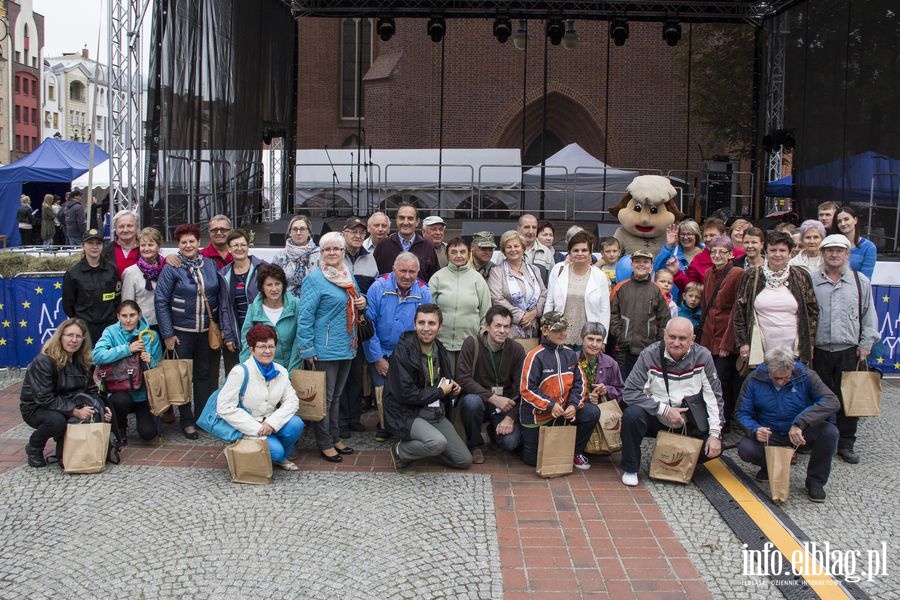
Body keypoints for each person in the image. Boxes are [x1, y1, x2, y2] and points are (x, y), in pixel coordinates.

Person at [619, 317, 723, 486]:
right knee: (632, 415)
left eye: (682, 338)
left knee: (715, 447)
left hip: (688, 421)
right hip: (657, 416)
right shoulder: (649, 355)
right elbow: (630, 392)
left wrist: (715, 434)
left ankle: (673, 457)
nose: (676, 342)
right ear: (664, 335)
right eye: (672, 337)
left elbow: (714, 396)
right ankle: (631, 468)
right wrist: (664, 410)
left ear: (692, 339)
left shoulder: (703, 356)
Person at [736, 346, 840, 503]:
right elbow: (741, 413)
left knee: (829, 432)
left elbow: (831, 401)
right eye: (776, 378)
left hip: (800, 432)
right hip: (771, 434)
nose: (781, 382)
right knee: (746, 448)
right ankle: (768, 466)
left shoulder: (807, 376)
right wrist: (755, 429)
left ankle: (815, 482)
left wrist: (801, 422)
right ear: (768, 371)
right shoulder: (754, 379)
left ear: (792, 369)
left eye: (785, 378)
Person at [296, 232, 365, 462]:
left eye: (337, 249)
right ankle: (324, 442)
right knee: (324, 399)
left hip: (347, 344)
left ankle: (334, 436)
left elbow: (355, 298)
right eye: (327, 250)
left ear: (344, 252)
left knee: (336, 396)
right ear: (321, 253)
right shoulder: (315, 279)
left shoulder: (347, 274)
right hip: (324, 348)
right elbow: (305, 316)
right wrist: (307, 348)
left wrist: (362, 300)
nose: (332, 253)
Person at [811, 234, 879, 464]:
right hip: (818, 350)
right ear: (822, 253)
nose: (834, 254)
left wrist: (866, 344)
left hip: (849, 350)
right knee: (818, 398)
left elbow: (869, 315)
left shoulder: (860, 282)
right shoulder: (812, 280)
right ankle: (818, 439)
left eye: (839, 250)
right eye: (829, 250)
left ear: (847, 254)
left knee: (849, 399)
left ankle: (846, 443)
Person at [384, 304, 472, 476]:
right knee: (437, 443)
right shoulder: (402, 352)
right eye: (421, 323)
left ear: (440, 326)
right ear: (414, 324)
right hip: (408, 412)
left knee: (463, 460)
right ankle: (400, 451)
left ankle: (426, 447)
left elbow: (442, 382)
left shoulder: (440, 349)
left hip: (434, 412)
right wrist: (440, 392)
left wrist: (452, 387)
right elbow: (406, 394)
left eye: (431, 323)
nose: (426, 328)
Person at [154, 223, 222, 439]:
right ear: (178, 245)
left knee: (204, 374)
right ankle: (186, 419)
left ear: (198, 242)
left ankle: (202, 416)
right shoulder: (171, 267)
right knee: (181, 376)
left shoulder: (210, 265)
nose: (188, 245)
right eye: (184, 242)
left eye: (192, 241)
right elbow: (161, 300)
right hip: (181, 332)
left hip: (205, 331)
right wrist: (167, 334)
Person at [20, 318, 111, 467]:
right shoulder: (44, 361)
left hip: (69, 404)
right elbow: (44, 397)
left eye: (78, 336)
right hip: (37, 407)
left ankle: (63, 441)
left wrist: (102, 408)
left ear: (83, 339)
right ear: (60, 336)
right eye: (69, 335)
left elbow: (91, 390)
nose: (73, 340)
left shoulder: (82, 359)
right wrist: (74, 412)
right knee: (57, 421)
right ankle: (34, 447)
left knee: (67, 458)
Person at [216, 323, 305, 470]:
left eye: (271, 347)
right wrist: (256, 428)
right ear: (252, 350)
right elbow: (224, 407)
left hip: (269, 422)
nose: (267, 351)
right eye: (262, 347)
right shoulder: (240, 372)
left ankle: (269, 450)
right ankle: (277, 455)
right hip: (247, 426)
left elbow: (292, 401)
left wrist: (272, 423)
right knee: (277, 452)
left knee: (296, 424)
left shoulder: (280, 371)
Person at [364, 253, 433, 440]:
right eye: (403, 271)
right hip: (382, 350)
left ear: (418, 272)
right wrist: (377, 358)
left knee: (406, 391)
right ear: (394, 270)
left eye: (412, 272)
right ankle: (385, 425)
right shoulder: (378, 288)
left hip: (409, 352)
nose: (407, 276)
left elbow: (427, 325)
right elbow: (368, 327)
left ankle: (405, 427)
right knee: (383, 391)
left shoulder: (424, 292)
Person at [519, 312, 600, 469]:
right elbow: (527, 389)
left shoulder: (570, 354)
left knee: (592, 412)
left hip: (563, 412)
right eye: (557, 330)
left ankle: (575, 452)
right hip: (538, 416)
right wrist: (550, 405)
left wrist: (573, 405)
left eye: (564, 329)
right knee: (533, 461)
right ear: (545, 330)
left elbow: (580, 384)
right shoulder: (534, 356)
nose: (562, 334)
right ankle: (522, 440)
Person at [733, 231, 818, 367]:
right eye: (773, 250)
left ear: (790, 253)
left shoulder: (801, 276)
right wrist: (743, 343)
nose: (777, 254)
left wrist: (810, 342)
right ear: (765, 252)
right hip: (760, 349)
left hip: (795, 350)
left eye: (782, 250)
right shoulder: (752, 276)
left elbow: (812, 311)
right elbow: (739, 312)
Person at [455, 306, 526, 463]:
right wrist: (493, 397)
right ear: (487, 326)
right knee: (470, 401)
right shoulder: (472, 343)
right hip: (480, 401)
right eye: (497, 326)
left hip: (505, 405)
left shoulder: (516, 350)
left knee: (511, 443)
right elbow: (463, 378)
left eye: (506, 326)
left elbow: (522, 387)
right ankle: (475, 445)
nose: (502, 331)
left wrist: (510, 418)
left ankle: (495, 434)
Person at [92, 300, 163, 444]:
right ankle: (120, 427)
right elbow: (97, 356)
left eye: (132, 315)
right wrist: (127, 349)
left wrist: (151, 361)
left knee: (148, 434)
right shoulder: (110, 331)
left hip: (142, 392)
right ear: (118, 316)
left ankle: (143, 415)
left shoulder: (151, 335)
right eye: (124, 316)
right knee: (120, 401)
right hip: (119, 388)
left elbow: (160, 367)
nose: (128, 319)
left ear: (139, 315)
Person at [339, 216, 379, 437]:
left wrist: (365, 300)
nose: (357, 235)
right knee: (341, 374)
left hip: (359, 325)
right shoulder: (334, 255)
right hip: (338, 325)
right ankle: (341, 420)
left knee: (356, 373)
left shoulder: (370, 259)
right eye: (352, 231)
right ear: (343, 233)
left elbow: (372, 292)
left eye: (361, 232)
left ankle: (353, 417)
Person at [699, 235, 744, 428]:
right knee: (709, 380)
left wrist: (728, 342)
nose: (717, 255)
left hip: (725, 337)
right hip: (709, 336)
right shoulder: (709, 273)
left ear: (731, 254)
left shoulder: (737, 273)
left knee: (722, 382)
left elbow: (736, 310)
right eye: (713, 251)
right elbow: (705, 305)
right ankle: (712, 417)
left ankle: (723, 421)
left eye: (721, 252)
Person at [429, 237, 491, 371]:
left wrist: (481, 338)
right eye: (454, 252)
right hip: (441, 343)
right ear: (447, 254)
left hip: (470, 343)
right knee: (445, 382)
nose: (458, 255)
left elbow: (486, 312)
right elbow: (429, 310)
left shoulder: (477, 279)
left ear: (469, 253)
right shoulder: (437, 278)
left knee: (466, 382)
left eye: (462, 252)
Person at [545, 231, 611, 349]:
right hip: (559, 335)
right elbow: (549, 302)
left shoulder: (599, 276)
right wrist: (546, 329)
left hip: (589, 338)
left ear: (590, 253)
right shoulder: (558, 270)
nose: (580, 253)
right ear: (569, 253)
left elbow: (604, 310)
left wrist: (603, 340)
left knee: (583, 367)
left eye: (584, 250)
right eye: (575, 250)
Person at [610, 249, 670, 378]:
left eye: (645, 262)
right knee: (622, 388)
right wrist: (619, 334)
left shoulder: (657, 291)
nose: (641, 264)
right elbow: (612, 314)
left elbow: (665, 320)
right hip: (623, 350)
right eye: (637, 261)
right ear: (632, 264)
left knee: (645, 389)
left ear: (651, 266)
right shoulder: (620, 288)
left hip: (648, 351)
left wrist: (657, 344)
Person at [62, 229, 121, 345]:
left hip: (109, 326)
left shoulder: (112, 269)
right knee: (86, 361)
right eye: (90, 243)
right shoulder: (73, 273)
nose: (95, 247)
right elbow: (68, 306)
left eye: (98, 243)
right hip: (84, 327)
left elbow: (117, 298)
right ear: (83, 245)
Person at [239, 263, 300, 371]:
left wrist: (291, 374)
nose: (274, 289)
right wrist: (246, 371)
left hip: (290, 367)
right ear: (262, 287)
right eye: (269, 285)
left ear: (284, 285)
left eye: (277, 284)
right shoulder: (253, 309)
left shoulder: (296, 306)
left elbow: (298, 343)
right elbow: (246, 343)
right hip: (262, 369)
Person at [220, 229, 265, 372]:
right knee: (237, 373)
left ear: (248, 246)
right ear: (229, 248)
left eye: (243, 244)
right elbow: (224, 306)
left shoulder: (262, 268)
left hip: (260, 327)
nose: (239, 248)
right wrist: (228, 335)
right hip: (236, 330)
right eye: (235, 245)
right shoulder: (224, 274)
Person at [488, 231, 547, 340]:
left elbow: (543, 294)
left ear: (523, 248)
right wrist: (521, 317)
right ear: (504, 251)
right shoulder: (497, 272)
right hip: (508, 331)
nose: (513, 249)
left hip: (533, 329)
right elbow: (497, 299)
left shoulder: (534, 270)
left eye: (516, 246)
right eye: (508, 247)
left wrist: (534, 313)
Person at [373, 204, 439, 282]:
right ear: (396, 220)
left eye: (410, 218)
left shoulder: (428, 247)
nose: (405, 222)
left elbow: (434, 279)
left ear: (417, 222)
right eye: (401, 218)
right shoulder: (383, 246)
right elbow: (375, 276)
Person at [121, 227, 165, 332]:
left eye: (150, 245)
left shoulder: (166, 269)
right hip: (142, 326)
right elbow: (127, 304)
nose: (146, 248)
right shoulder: (130, 273)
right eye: (143, 245)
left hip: (165, 324)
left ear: (158, 247)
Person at [273, 214, 320, 297]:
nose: (298, 233)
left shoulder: (320, 255)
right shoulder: (280, 257)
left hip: (313, 302)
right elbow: (274, 282)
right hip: (288, 304)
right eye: (295, 229)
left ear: (309, 232)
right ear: (290, 233)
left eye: (302, 229)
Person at [578, 322, 624, 407]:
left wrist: (606, 390)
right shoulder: (572, 360)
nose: (594, 344)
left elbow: (620, 391)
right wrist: (586, 398)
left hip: (604, 411)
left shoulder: (611, 363)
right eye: (590, 339)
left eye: (599, 340)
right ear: (582, 339)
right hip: (577, 409)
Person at [833, 207, 876, 279]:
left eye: (846, 219)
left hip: (857, 288)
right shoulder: (832, 244)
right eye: (839, 221)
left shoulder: (869, 247)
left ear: (855, 220)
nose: (843, 224)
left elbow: (866, 279)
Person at [102, 210, 141, 276]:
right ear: (116, 230)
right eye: (121, 227)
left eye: (129, 226)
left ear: (137, 228)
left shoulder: (147, 249)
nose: (125, 230)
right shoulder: (105, 251)